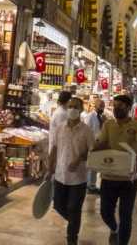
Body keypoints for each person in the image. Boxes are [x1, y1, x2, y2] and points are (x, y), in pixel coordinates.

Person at [95, 94, 137, 245]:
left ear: (129, 108)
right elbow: (101, 143)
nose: (117, 109)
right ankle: (114, 228)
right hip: (108, 177)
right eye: (115, 106)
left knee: (126, 216)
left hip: (128, 180)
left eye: (121, 106)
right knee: (105, 212)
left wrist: (135, 164)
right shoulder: (108, 125)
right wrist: (92, 148)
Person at [47, 96, 93, 245]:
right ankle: (74, 221)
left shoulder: (87, 131)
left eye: (75, 107)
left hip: (78, 178)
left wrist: (79, 159)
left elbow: (91, 152)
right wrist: (50, 168)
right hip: (60, 175)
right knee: (58, 205)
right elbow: (54, 148)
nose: (72, 109)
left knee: (74, 207)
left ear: (81, 110)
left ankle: (72, 237)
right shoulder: (60, 128)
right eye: (70, 106)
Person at [84, 98, 106, 194]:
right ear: (95, 106)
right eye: (101, 106)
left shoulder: (101, 117)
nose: (102, 108)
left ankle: (92, 185)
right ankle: (89, 186)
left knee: (95, 166)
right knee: (90, 166)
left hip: (98, 145)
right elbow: (86, 130)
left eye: (103, 106)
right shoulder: (90, 116)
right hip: (91, 144)